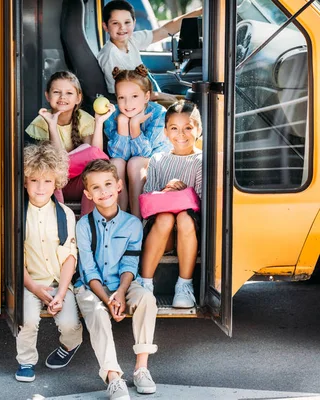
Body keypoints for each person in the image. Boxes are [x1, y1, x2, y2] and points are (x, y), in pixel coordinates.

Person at [74, 159, 158, 399]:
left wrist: (121, 292)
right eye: (96, 188)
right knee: (97, 311)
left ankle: (141, 368)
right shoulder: (84, 226)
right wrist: (107, 300)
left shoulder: (132, 224)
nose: (104, 192)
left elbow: (130, 264)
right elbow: (88, 270)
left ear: (119, 186)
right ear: (88, 194)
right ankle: (113, 376)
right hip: (93, 287)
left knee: (145, 298)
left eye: (108, 184)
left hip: (122, 283)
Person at [15, 143, 84, 383]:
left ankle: (70, 345)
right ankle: (26, 361)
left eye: (47, 181)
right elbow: (16, 259)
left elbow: (69, 257)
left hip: (58, 283)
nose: (40, 187)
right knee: (28, 319)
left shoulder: (64, 214)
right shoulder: (18, 214)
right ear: (25, 182)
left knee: (70, 326)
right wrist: (34, 289)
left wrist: (61, 294)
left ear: (56, 182)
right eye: (34, 180)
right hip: (29, 283)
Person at [140, 100, 203, 308]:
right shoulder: (158, 159)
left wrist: (185, 191)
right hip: (162, 233)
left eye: (188, 128)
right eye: (174, 128)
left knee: (184, 217)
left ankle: (184, 285)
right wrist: (166, 191)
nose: (181, 134)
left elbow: (204, 202)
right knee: (166, 217)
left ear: (198, 130)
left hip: (190, 232)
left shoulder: (201, 160)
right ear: (165, 132)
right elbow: (148, 200)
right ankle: (145, 284)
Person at [26, 71, 114, 216]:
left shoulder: (84, 119)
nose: (62, 97)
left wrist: (98, 122)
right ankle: (60, 222)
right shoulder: (42, 121)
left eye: (69, 93)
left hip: (78, 184)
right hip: (54, 183)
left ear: (78, 98)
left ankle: (89, 225)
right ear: (47, 96)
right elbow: (54, 160)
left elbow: (97, 160)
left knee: (95, 171)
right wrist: (52, 126)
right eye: (56, 92)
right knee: (51, 171)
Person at [97, 0, 203, 102]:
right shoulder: (109, 55)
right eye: (115, 23)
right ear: (105, 26)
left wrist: (200, 11)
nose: (122, 28)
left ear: (134, 23)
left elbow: (165, 30)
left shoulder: (132, 40)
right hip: (134, 106)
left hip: (145, 96)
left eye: (127, 22)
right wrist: (159, 96)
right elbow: (123, 94)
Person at [103, 65, 171, 219]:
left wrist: (134, 126)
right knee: (115, 163)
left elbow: (145, 154)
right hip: (130, 161)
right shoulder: (114, 114)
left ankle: (137, 220)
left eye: (134, 96)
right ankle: (118, 220)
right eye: (121, 97)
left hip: (154, 162)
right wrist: (122, 124)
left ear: (146, 97)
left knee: (135, 163)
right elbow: (119, 154)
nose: (127, 104)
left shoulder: (158, 113)